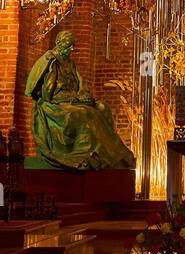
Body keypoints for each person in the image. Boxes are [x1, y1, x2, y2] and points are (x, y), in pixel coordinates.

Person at [25, 31, 134, 171]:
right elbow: (48, 94)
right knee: (83, 113)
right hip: (55, 104)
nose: (72, 49)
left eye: (73, 45)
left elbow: (81, 83)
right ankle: (84, 153)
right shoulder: (50, 61)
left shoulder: (70, 63)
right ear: (59, 43)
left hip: (72, 100)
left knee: (102, 108)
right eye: (69, 45)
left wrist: (83, 95)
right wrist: (72, 98)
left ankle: (112, 154)